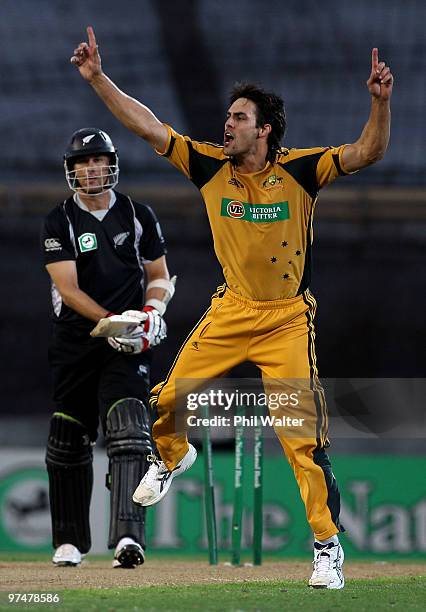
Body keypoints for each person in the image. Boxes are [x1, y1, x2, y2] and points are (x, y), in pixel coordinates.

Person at [70, 27, 393, 588]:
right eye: (228, 116)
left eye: (240, 117)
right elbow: (148, 127)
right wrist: (99, 79)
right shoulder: (209, 165)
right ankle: (171, 457)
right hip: (231, 312)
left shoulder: (300, 171)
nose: (228, 124)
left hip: (288, 320)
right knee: (164, 404)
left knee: (302, 439)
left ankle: (327, 549)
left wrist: (379, 104)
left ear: (264, 129)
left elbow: (368, 152)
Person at [41, 126, 175, 568]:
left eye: (98, 159)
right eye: (82, 163)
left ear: (111, 164)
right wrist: (109, 321)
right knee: (68, 437)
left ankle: (128, 540)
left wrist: (151, 314)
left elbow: (157, 275)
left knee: (131, 431)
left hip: (129, 341)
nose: (92, 168)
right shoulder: (59, 219)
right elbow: (68, 287)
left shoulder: (137, 213)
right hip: (77, 340)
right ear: (72, 171)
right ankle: (70, 542)